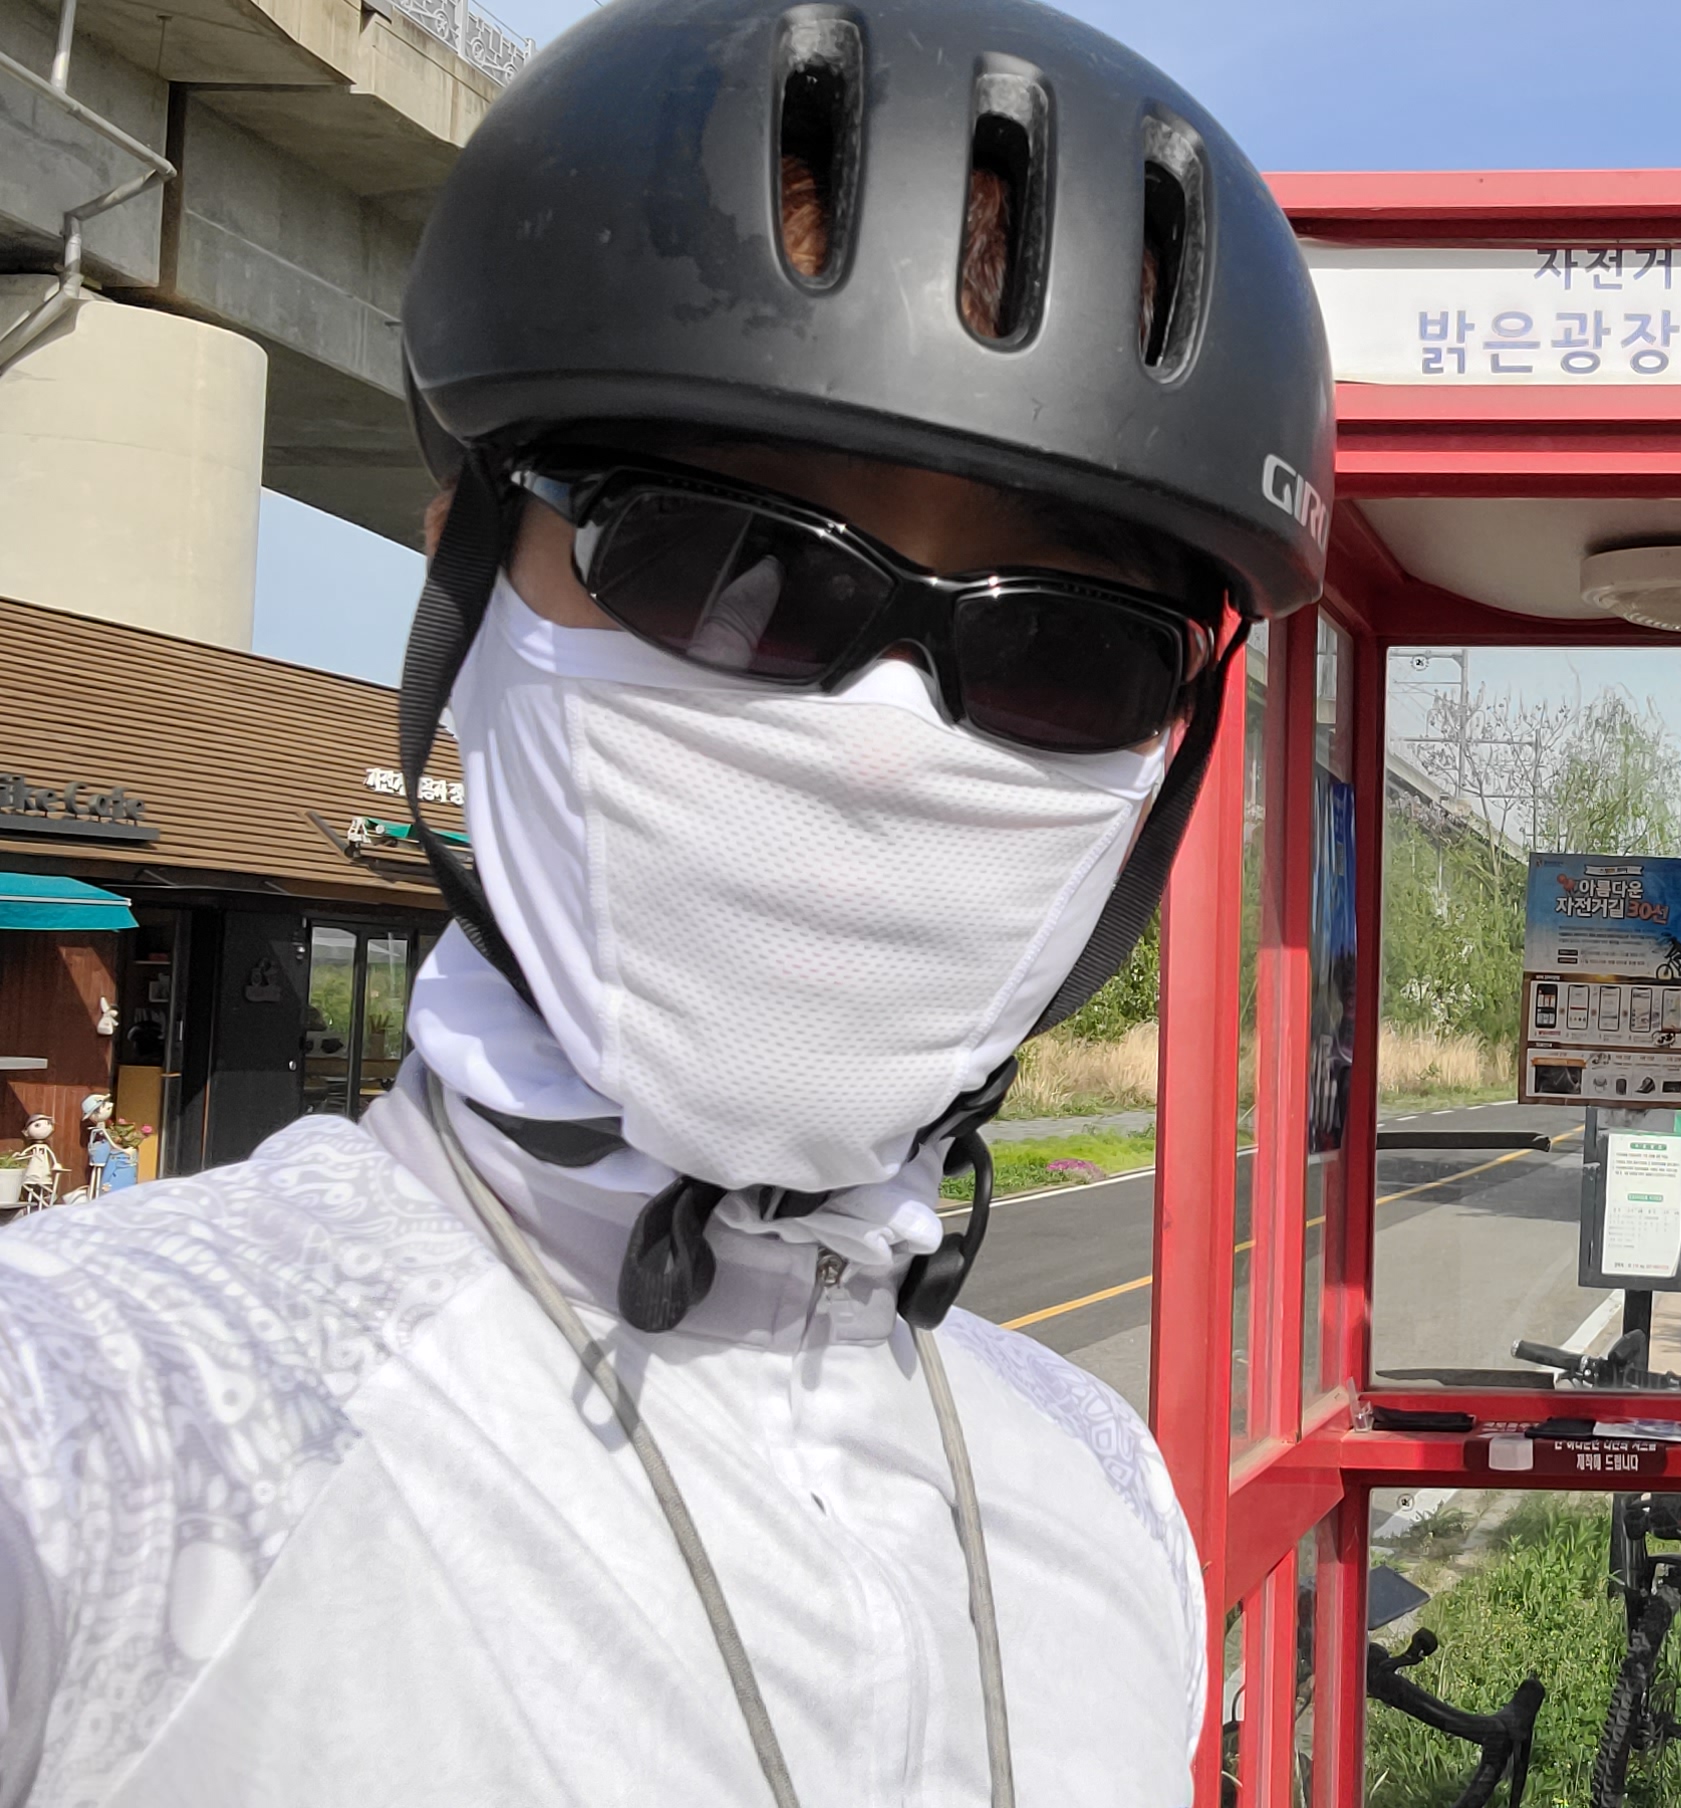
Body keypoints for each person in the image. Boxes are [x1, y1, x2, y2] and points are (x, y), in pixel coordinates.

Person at [0, 0, 1331, 1799]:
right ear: (466, 574)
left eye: (1064, 650)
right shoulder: (116, 1440)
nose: (882, 743)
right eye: (726, 562)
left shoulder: (1106, 1508)